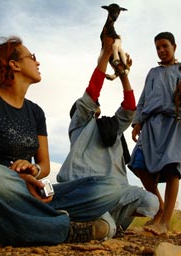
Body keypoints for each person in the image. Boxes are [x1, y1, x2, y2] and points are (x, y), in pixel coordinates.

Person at [0, 36, 132, 246]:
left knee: (111, 187)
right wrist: (11, 173)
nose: (37, 62)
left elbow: (43, 166)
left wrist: (33, 173)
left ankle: (3, 224)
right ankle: (63, 229)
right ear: (14, 64)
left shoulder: (36, 112)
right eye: (32, 57)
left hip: (29, 192)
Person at [56, 35, 159, 233]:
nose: (94, 105)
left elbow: (130, 108)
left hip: (115, 192)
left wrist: (123, 75)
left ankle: (103, 222)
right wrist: (104, 56)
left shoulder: (112, 128)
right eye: (87, 107)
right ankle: (94, 223)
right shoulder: (78, 126)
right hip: (87, 190)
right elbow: (92, 93)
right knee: (107, 226)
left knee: (151, 202)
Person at [128, 32, 181, 235]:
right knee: (138, 164)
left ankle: (165, 222)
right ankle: (159, 207)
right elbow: (143, 99)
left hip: (174, 124)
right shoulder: (152, 72)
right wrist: (137, 122)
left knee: (172, 171)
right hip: (151, 125)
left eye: (165, 46)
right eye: (157, 48)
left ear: (174, 47)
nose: (161, 51)